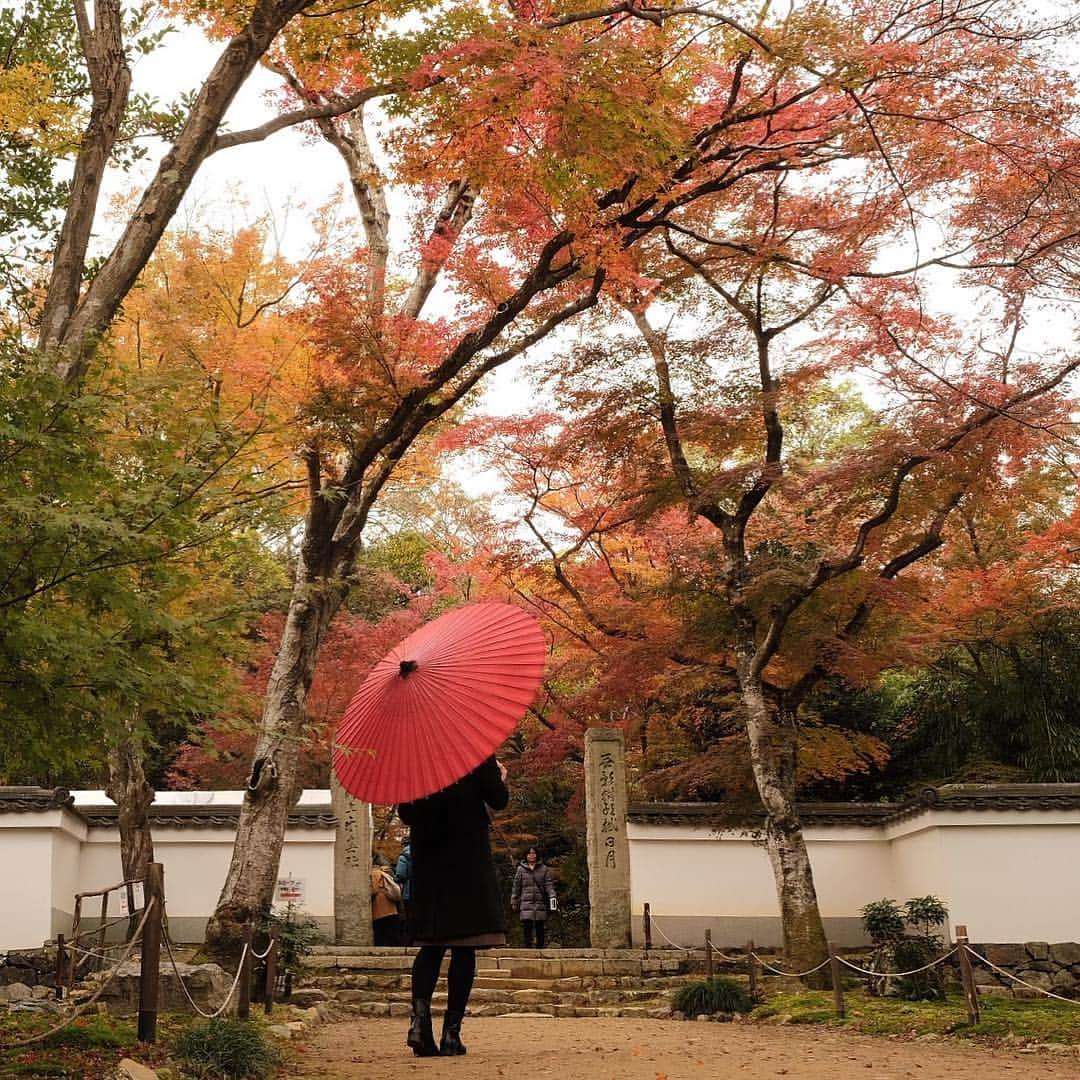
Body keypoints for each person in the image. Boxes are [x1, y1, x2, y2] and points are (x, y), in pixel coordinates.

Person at [397, 755, 508, 1057]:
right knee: (465, 946)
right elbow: (498, 799)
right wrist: (499, 775)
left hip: (430, 855)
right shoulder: (475, 751)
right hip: (467, 854)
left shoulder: (414, 758)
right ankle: (451, 1034)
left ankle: (419, 1024)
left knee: (431, 945)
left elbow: (405, 812)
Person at [511, 846, 556, 948]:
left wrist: (552, 897)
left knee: (540, 926)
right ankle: (528, 948)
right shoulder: (520, 869)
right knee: (527, 926)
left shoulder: (543, 869)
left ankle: (540, 948)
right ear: (526, 855)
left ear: (537, 855)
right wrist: (514, 901)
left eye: (533, 853)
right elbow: (516, 887)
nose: (531, 855)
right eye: (529, 853)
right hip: (526, 902)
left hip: (540, 902)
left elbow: (548, 885)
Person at [370, 854, 402, 946]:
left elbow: (375, 889)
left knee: (381, 930)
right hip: (390, 905)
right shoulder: (385, 872)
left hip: (381, 906)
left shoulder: (375, 873)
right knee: (392, 929)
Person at [394, 838, 412, 932]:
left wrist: (395, 878)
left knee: (409, 915)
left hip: (409, 890)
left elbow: (401, 875)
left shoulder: (404, 856)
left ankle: (410, 937)